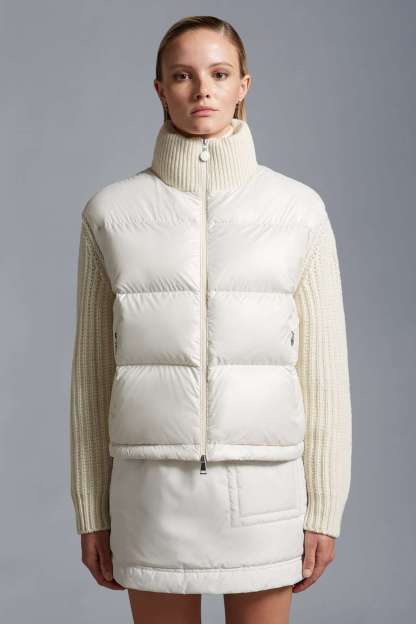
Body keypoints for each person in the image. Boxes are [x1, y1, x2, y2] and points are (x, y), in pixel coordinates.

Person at [69, 15, 352, 624]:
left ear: (244, 85)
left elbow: (324, 374)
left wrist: (324, 510)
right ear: (160, 89)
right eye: (183, 75)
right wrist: (91, 509)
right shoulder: (110, 214)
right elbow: (91, 378)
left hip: (265, 497)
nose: (202, 90)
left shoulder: (299, 211)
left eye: (219, 74)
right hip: (151, 495)